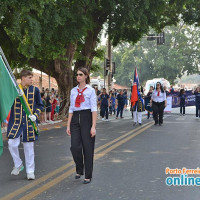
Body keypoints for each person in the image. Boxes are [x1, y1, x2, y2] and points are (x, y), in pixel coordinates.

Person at [7, 69, 43, 180]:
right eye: (29, 78)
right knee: (12, 143)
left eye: (32, 77)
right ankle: (18, 164)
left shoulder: (35, 90)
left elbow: (40, 105)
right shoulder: (15, 89)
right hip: (16, 122)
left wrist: (36, 115)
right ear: (23, 78)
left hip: (29, 122)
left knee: (29, 148)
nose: (32, 79)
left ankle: (30, 171)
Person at [66, 67, 97, 184]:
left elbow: (94, 109)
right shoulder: (73, 91)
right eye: (77, 75)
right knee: (74, 147)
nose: (78, 76)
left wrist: (93, 126)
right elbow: (71, 108)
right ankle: (79, 168)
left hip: (86, 118)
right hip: (75, 119)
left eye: (80, 74)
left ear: (85, 76)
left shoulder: (90, 91)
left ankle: (88, 175)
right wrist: (68, 125)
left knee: (88, 148)